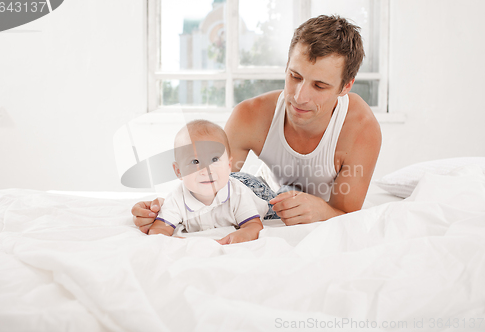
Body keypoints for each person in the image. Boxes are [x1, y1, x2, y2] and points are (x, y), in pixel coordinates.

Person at [132, 15, 381, 234]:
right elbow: (214, 184)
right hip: (264, 197)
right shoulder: (250, 116)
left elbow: (348, 214)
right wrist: (165, 210)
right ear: (286, 66)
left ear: (346, 86)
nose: (299, 96)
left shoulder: (361, 128)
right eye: (295, 76)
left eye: (319, 86)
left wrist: (322, 211)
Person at [147, 119, 268, 245]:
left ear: (228, 165)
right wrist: (176, 242)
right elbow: (159, 229)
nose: (206, 170)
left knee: (276, 205)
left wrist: (245, 233)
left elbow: (254, 225)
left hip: (257, 189)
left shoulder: (238, 193)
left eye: (214, 159)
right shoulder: (177, 197)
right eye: (195, 161)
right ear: (178, 171)